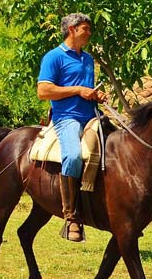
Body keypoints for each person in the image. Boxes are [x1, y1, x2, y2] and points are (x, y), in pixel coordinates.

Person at [36, 13, 107, 242]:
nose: (89, 32)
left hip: (91, 115)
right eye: (85, 28)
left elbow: (85, 90)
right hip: (66, 118)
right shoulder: (53, 57)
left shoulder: (87, 59)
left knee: (118, 148)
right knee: (74, 156)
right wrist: (77, 90)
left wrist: (95, 94)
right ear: (71, 30)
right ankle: (71, 217)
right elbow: (43, 92)